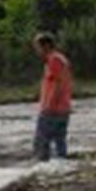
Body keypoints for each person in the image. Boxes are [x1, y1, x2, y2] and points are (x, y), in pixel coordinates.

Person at [33, 32, 73, 162]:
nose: (36, 50)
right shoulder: (61, 59)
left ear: (46, 46)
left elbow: (57, 84)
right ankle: (61, 165)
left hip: (53, 109)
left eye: (37, 47)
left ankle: (42, 167)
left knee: (41, 141)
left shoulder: (53, 60)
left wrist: (49, 105)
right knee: (60, 142)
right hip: (64, 108)